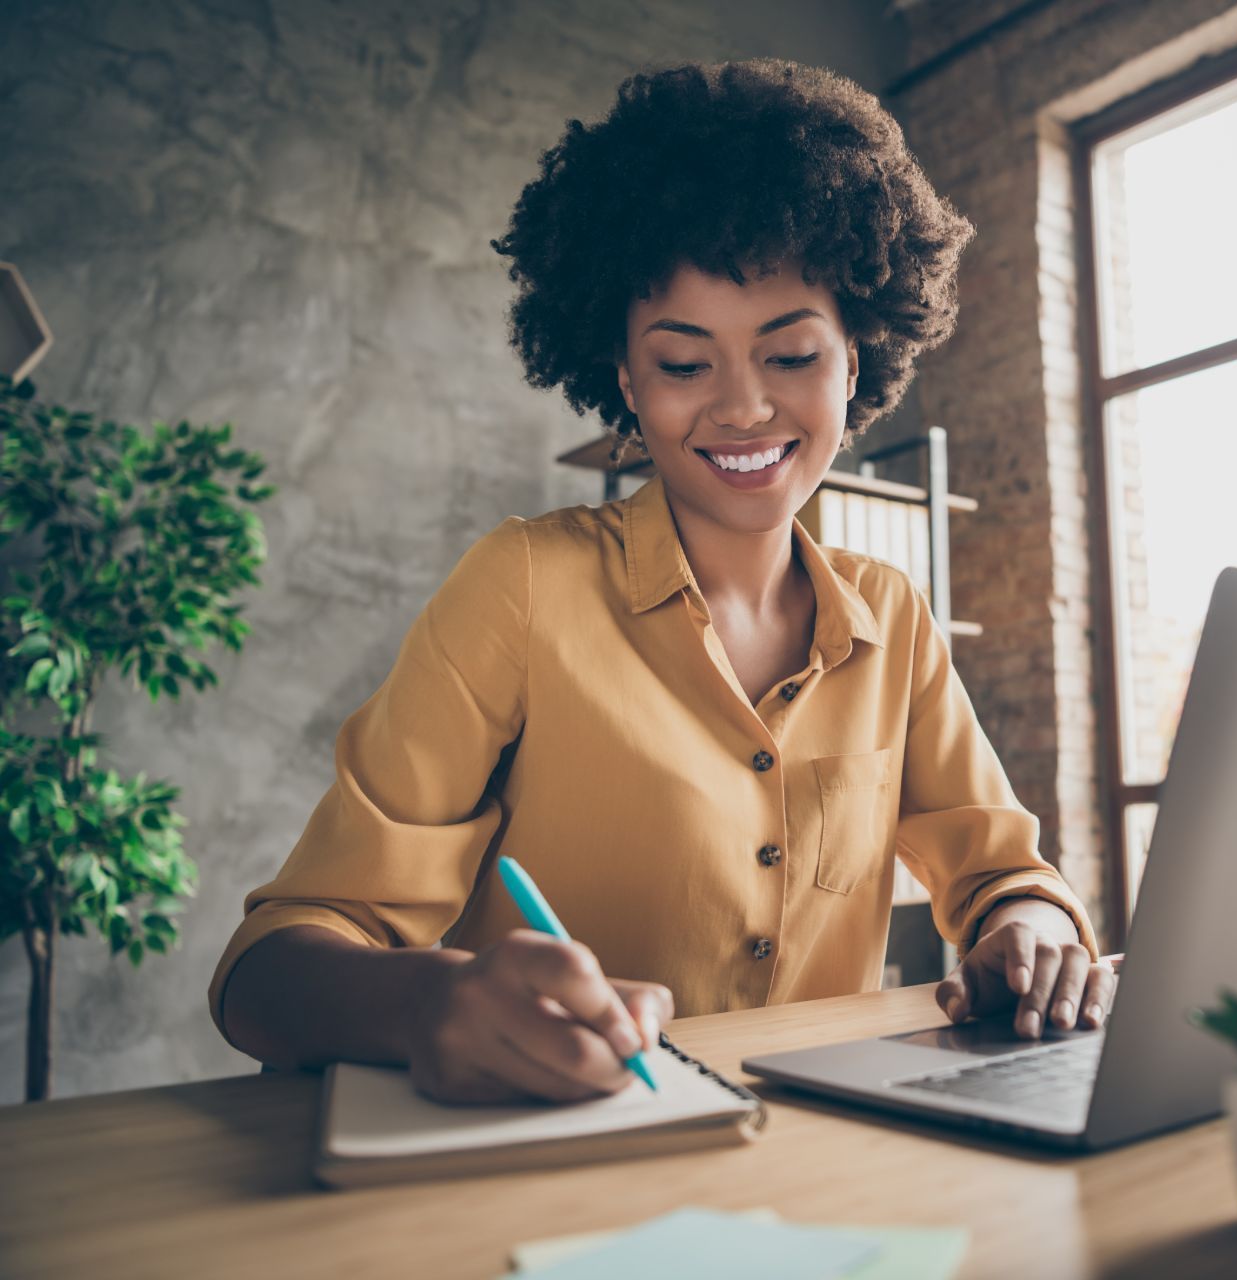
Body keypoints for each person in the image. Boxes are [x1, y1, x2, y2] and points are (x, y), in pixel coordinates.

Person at [209, 59, 1113, 1105]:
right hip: (555, 1171)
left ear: (854, 364)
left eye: (791, 356)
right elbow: (268, 971)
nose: (742, 408)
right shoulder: (525, 586)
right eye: (685, 365)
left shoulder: (892, 617)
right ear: (626, 382)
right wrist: (428, 1004)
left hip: (832, 1173)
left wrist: (1031, 929)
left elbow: (1002, 873)